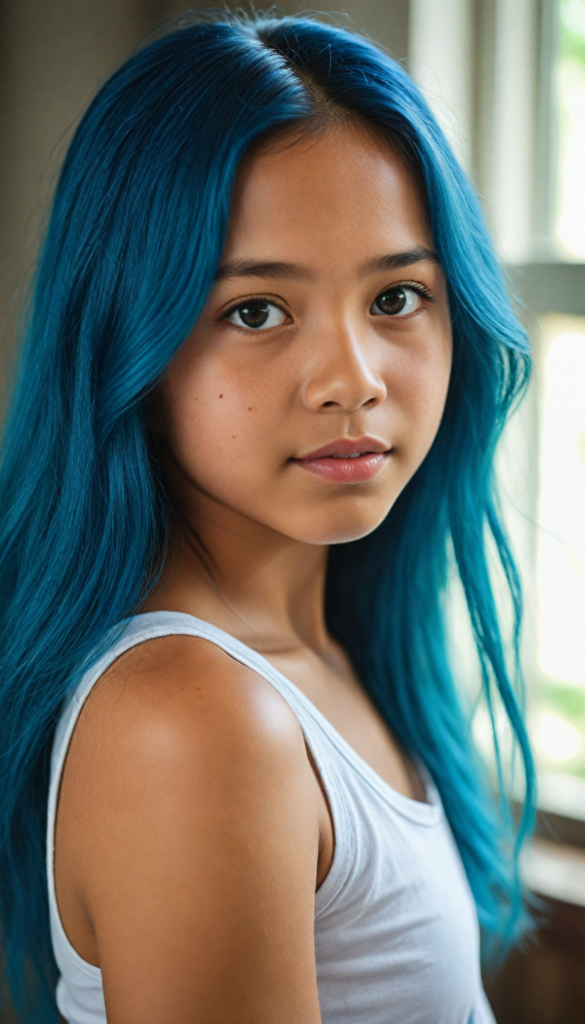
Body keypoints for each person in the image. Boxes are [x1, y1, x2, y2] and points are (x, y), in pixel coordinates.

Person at [0, 12, 535, 1024]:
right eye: (257, 310)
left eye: (397, 296)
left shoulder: (328, 654)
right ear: (129, 336)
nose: (353, 379)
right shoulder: (195, 721)